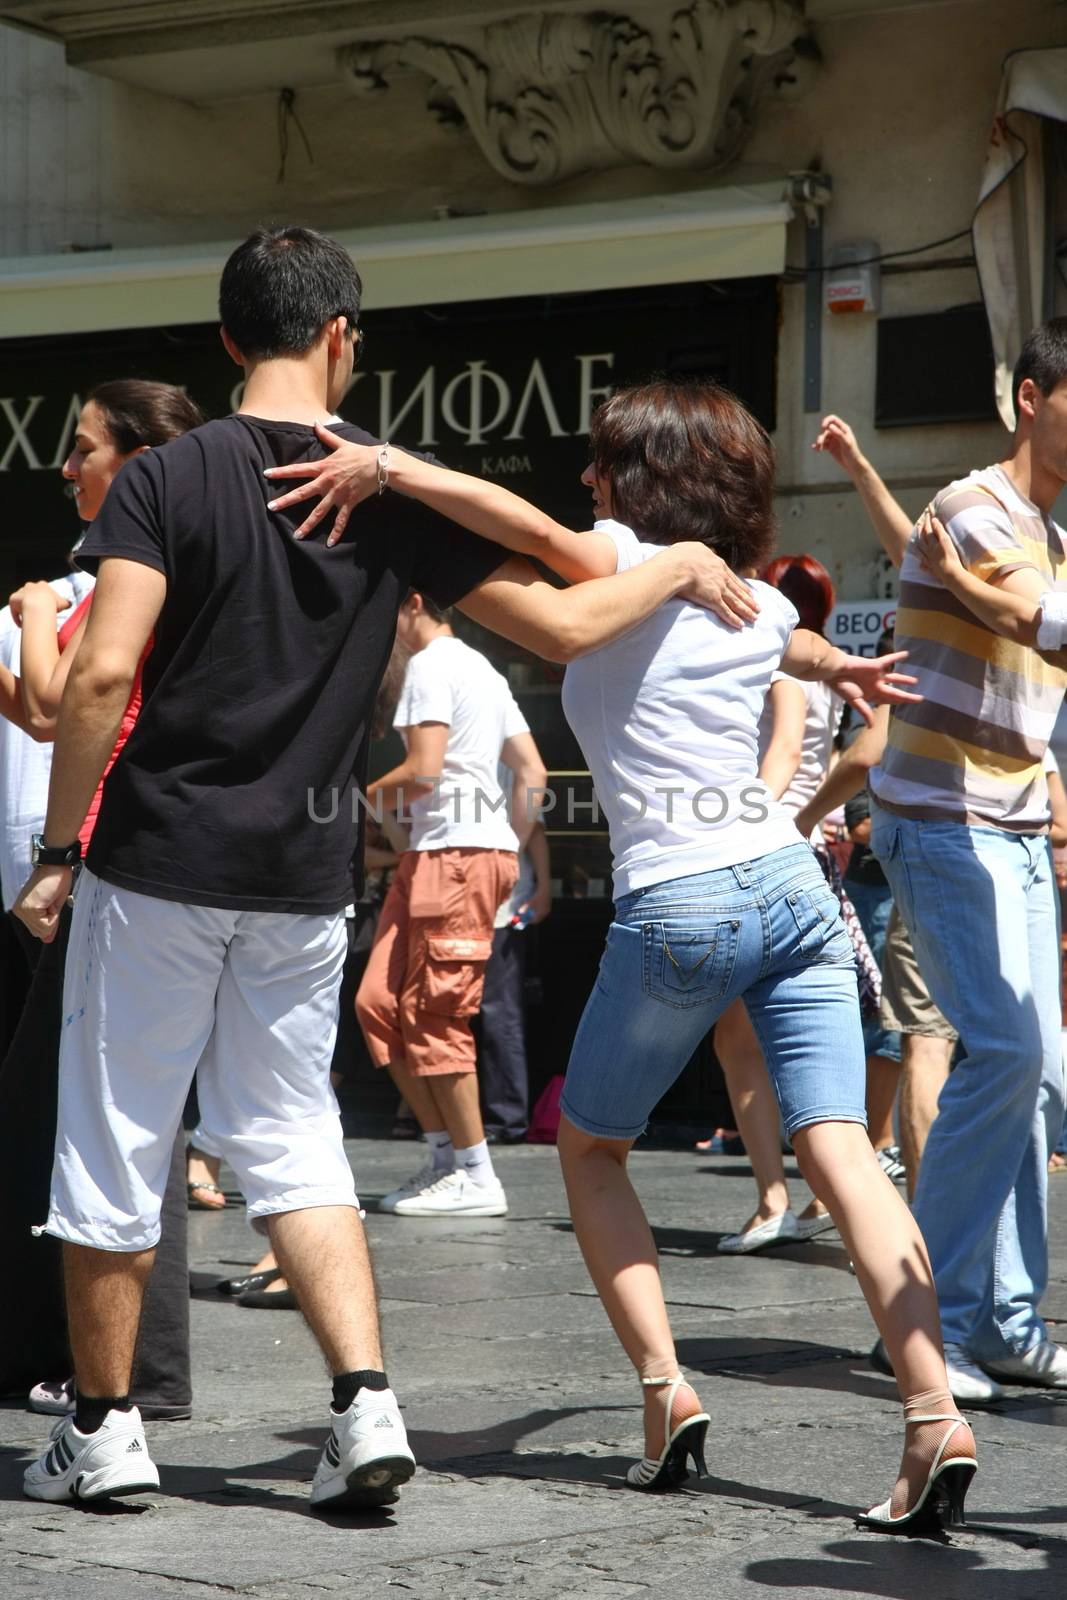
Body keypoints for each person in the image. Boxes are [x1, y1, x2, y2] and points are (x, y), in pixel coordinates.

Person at [16, 225, 753, 1510]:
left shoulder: (166, 479)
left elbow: (100, 671)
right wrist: (683, 563)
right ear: (342, 337)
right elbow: (577, 604)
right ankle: (363, 1406)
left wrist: (57, 847)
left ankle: (104, 1426)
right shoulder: (387, 495)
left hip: (156, 865)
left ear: (233, 338)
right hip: (301, 882)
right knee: (295, 1139)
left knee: (117, 1143)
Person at [268, 377, 977, 1532]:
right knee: (841, 1146)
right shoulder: (729, 582)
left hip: (682, 896)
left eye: (602, 464)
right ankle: (930, 1407)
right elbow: (774, 631)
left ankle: (664, 1394)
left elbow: (528, 527)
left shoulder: (616, 553)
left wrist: (389, 465)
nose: (586, 482)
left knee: (591, 1150)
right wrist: (830, 666)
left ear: (641, 483)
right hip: (791, 885)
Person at [866, 318, 1067, 1405]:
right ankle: (928, 1323)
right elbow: (1044, 625)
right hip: (942, 820)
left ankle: (1003, 1320)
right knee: (996, 1049)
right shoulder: (971, 506)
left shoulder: (1048, 530)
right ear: (1029, 396)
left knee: (1031, 1071)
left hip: (1013, 825)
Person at [0, 381, 202, 1425]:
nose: (65, 466)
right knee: (88, 1109)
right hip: (167, 866)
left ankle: (125, 1378)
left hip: (119, 868)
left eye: (81, 447)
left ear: (136, 461)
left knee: (112, 1120)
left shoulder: (117, 575)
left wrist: (35, 614)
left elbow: (62, 698)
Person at [355, 588, 547, 1217]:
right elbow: (534, 774)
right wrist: (509, 848)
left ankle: (474, 1172)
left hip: (453, 856)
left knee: (436, 1017)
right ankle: (445, 1160)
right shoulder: (483, 669)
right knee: (379, 1005)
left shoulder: (432, 665)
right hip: (446, 854)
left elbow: (425, 770)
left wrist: (363, 797)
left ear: (411, 602)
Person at [714, 554, 841, 1253]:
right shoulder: (820, 666)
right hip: (809, 855)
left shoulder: (777, 666)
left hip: (763, 851)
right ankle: (813, 1195)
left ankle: (773, 1197)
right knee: (797, 1037)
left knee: (742, 1040)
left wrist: (748, 820)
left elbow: (783, 754)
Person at [476, 816, 552, 1143]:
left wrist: (544, 887)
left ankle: (506, 1118)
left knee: (499, 1014)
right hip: (457, 904)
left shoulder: (508, 766)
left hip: (501, 908)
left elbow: (534, 823)